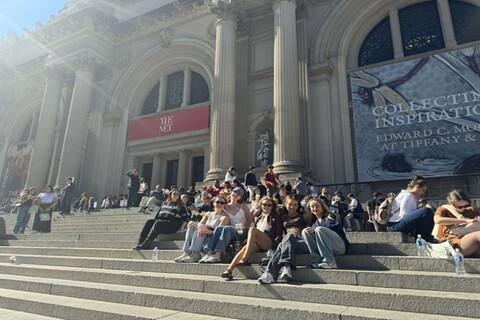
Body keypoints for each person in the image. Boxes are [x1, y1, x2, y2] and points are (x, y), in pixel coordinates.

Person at [221, 196, 283, 279]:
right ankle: (229, 270)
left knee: (252, 229)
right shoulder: (259, 217)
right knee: (244, 248)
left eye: (269, 205)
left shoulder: (275, 217)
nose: (266, 207)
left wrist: (276, 245)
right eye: (264, 204)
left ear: (272, 207)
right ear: (261, 205)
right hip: (259, 242)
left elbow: (279, 233)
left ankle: (245, 258)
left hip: (270, 241)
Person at [258, 195, 311, 284]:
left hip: (303, 242)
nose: (292, 207)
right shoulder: (282, 217)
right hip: (289, 244)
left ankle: (285, 267)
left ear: (298, 206)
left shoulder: (304, 216)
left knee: (288, 237)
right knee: (284, 242)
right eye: (290, 204)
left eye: (295, 205)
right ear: (285, 204)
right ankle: (270, 275)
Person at [200, 187, 253, 263]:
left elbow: (249, 220)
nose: (235, 194)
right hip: (230, 229)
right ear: (231, 193)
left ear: (240, 197)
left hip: (242, 230)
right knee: (219, 228)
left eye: (238, 194)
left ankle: (218, 254)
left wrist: (244, 225)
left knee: (226, 228)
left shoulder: (243, 206)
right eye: (234, 192)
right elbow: (218, 208)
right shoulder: (226, 206)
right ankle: (209, 253)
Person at [175, 196, 230, 263]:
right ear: (213, 203)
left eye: (222, 203)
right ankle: (187, 252)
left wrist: (208, 231)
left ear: (224, 205)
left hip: (211, 239)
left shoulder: (225, 217)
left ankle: (195, 254)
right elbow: (200, 225)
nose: (219, 204)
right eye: (218, 202)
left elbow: (219, 233)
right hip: (201, 235)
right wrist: (192, 223)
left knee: (201, 228)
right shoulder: (208, 214)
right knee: (192, 226)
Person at [429, 190, 480, 258]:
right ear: (451, 203)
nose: (463, 208)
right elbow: (437, 220)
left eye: (466, 205)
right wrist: (464, 221)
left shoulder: (472, 210)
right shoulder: (444, 209)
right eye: (459, 207)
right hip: (455, 242)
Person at [302, 198, 349, 269]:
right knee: (305, 231)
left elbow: (333, 228)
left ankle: (330, 261)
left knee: (319, 229)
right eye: (312, 206)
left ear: (322, 208)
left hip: (339, 246)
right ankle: (316, 260)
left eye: (317, 206)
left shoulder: (331, 216)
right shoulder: (314, 222)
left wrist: (315, 230)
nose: (315, 208)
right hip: (326, 248)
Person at [386, 175, 434, 242]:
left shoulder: (411, 196)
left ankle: (423, 239)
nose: (423, 193)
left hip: (396, 224)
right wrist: (418, 212)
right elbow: (404, 214)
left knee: (425, 213)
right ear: (417, 187)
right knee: (426, 211)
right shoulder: (407, 195)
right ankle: (425, 240)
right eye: (423, 190)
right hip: (395, 225)